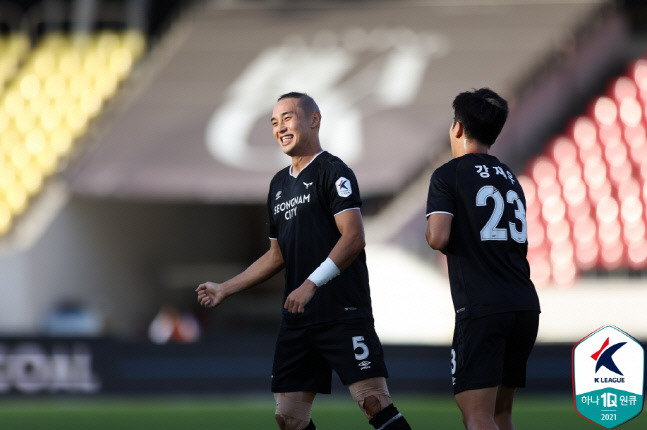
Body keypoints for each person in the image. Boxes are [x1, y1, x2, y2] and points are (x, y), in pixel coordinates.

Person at [197, 92, 411, 430]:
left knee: (374, 402)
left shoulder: (333, 171)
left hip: (342, 312)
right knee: (289, 418)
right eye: (274, 122)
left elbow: (353, 237)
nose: (279, 127)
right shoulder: (278, 185)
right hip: (298, 318)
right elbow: (275, 256)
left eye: (287, 118)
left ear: (314, 119)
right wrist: (226, 288)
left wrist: (311, 284)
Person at [425, 88, 541, 430]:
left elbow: (438, 237)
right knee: (502, 413)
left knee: (476, 413)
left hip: (482, 307)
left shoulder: (447, 175)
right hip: (524, 304)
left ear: (457, 128)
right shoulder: (510, 179)